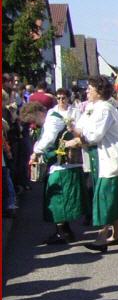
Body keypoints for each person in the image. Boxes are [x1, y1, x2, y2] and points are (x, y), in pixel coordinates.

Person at [64, 76, 118, 251]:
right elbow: (81, 127)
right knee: (112, 197)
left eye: (90, 88)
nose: (87, 91)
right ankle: (117, 234)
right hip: (99, 158)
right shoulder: (92, 107)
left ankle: (101, 238)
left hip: (110, 157)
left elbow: (93, 136)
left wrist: (76, 140)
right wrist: (74, 129)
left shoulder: (105, 109)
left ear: (99, 91)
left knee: (104, 197)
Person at [22, 102, 89, 244]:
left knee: (57, 200)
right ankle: (65, 230)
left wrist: (36, 152)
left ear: (38, 113)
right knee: (57, 199)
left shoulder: (52, 119)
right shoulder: (52, 118)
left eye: (33, 120)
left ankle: (63, 233)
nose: (34, 124)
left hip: (63, 164)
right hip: (60, 164)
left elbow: (48, 139)